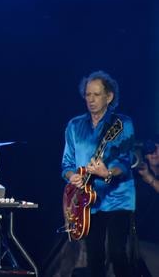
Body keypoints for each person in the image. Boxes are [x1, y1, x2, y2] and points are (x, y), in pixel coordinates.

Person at [61, 70, 135, 277]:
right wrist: (71, 176)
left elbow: (126, 159)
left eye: (96, 95)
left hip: (117, 197)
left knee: (117, 252)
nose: (91, 100)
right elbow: (66, 164)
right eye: (87, 95)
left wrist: (107, 172)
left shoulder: (122, 124)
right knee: (94, 256)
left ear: (109, 96)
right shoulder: (74, 125)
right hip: (87, 200)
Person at [133, 136, 159, 275]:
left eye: (157, 147)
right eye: (150, 148)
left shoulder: (149, 178)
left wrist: (150, 178)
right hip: (140, 242)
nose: (154, 152)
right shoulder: (134, 177)